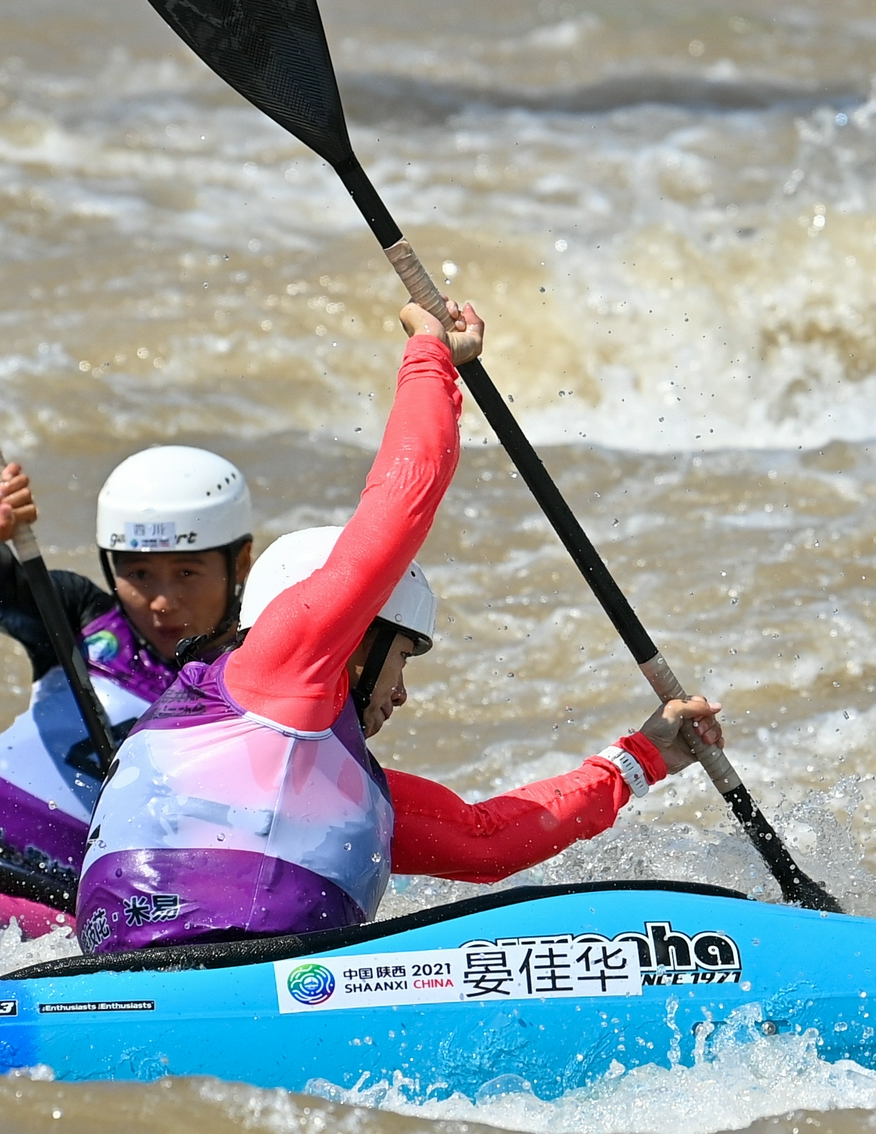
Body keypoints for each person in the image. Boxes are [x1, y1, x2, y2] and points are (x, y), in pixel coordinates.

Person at [75, 299, 725, 954]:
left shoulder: (316, 775)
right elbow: (402, 501)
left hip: (146, 984)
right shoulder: (281, 661)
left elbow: (487, 841)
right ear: (357, 633)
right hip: (195, 979)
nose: (403, 694)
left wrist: (643, 759)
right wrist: (431, 359)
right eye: (403, 659)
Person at [0, 445, 254, 877]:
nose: (162, 601)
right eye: (138, 575)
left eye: (186, 573)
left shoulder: (254, 672)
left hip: (98, 898)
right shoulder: (76, 618)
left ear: (240, 562)